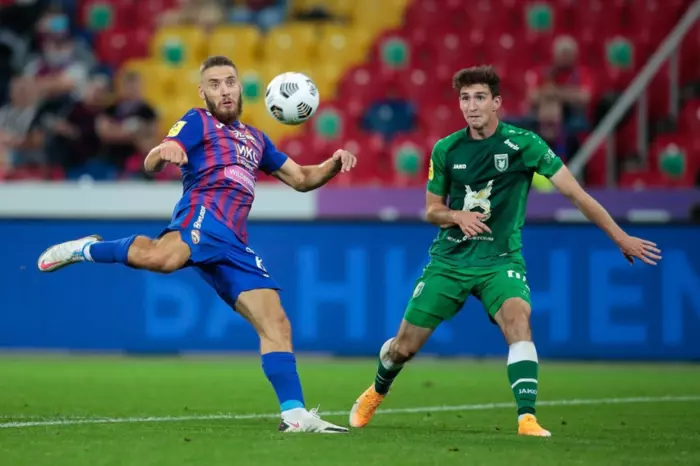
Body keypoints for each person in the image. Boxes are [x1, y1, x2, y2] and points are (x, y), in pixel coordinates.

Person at [37, 55, 357, 434]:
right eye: (215, 84)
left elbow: (301, 178)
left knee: (275, 321)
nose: (224, 90)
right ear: (203, 93)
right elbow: (153, 159)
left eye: (230, 82)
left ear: (240, 88)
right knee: (162, 259)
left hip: (233, 242)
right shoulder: (197, 121)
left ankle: (295, 415)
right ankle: (85, 249)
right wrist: (164, 152)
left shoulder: (257, 139)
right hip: (202, 216)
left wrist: (332, 163)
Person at [348, 65, 662, 437]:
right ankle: (377, 389)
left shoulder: (525, 145)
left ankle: (527, 418)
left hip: (500, 261)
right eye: (465, 98)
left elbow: (576, 195)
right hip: (450, 261)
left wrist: (619, 237)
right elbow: (431, 210)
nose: (471, 106)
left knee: (518, 320)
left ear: (497, 102)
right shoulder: (446, 149)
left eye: (480, 97)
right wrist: (457, 216)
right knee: (403, 347)